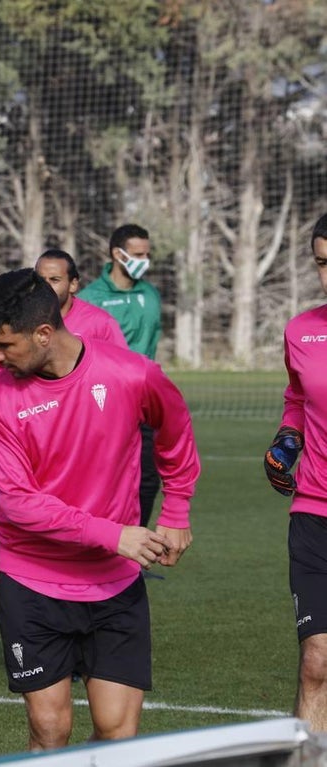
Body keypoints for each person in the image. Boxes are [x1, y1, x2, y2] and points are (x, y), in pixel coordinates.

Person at [0, 268, 199, 750]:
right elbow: (18, 502)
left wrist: (176, 508)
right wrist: (112, 534)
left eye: (5, 345)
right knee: (51, 731)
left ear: (44, 333)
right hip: (32, 582)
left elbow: (175, 429)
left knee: (117, 734)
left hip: (113, 584)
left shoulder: (133, 373)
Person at [263, 212, 327, 732]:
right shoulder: (301, 332)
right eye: (322, 264)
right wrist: (288, 441)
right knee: (316, 662)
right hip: (313, 513)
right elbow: (297, 398)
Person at [79, 226, 163, 526]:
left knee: (148, 479)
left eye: (147, 254)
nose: (145, 260)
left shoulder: (150, 294)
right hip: (105, 403)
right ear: (118, 253)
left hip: (144, 400)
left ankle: (135, 551)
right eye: (138, 254)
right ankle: (102, 547)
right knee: (104, 480)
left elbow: (151, 342)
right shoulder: (90, 298)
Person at [0, 249, 125, 381]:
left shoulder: (100, 322)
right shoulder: (20, 319)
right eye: (40, 280)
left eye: (54, 280)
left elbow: (121, 366)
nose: (46, 287)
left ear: (73, 284)